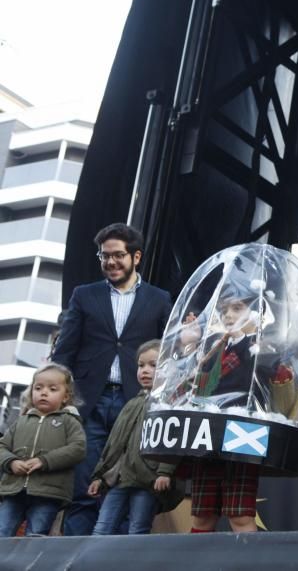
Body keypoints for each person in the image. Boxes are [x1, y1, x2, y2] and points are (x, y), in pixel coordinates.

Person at [51, 222, 172, 535]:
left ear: (136, 257)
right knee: (82, 484)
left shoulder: (159, 300)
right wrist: (63, 400)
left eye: (118, 255)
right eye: (104, 256)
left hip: (136, 405)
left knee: (125, 484)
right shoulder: (84, 295)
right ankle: (77, 556)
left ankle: (113, 558)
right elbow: (64, 353)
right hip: (89, 401)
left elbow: (170, 355)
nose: (111, 262)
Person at [180, 282, 288, 533]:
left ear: (256, 312)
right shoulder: (213, 347)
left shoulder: (267, 346)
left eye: (237, 308)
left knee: (240, 516)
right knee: (202, 516)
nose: (228, 315)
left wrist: (244, 339)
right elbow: (192, 385)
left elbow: (268, 374)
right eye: (224, 309)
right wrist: (190, 346)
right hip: (208, 434)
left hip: (245, 433)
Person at [88, 341, 182, 535]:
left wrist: (165, 471)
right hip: (120, 479)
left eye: (153, 365)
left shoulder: (171, 404)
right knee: (102, 528)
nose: (145, 371)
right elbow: (114, 444)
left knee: (138, 529)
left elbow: (173, 440)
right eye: (141, 365)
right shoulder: (132, 403)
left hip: (149, 480)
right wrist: (100, 475)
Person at [0, 364, 86, 537]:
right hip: (14, 490)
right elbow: (2, 446)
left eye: (52, 389)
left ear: (66, 396)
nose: (44, 392)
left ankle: (27, 565)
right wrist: (12, 462)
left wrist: (44, 461)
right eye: (38, 388)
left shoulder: (69, 421)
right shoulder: (21, 421)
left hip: (48, 493)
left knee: (36, 535)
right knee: (2, 532)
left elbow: (78, 448)